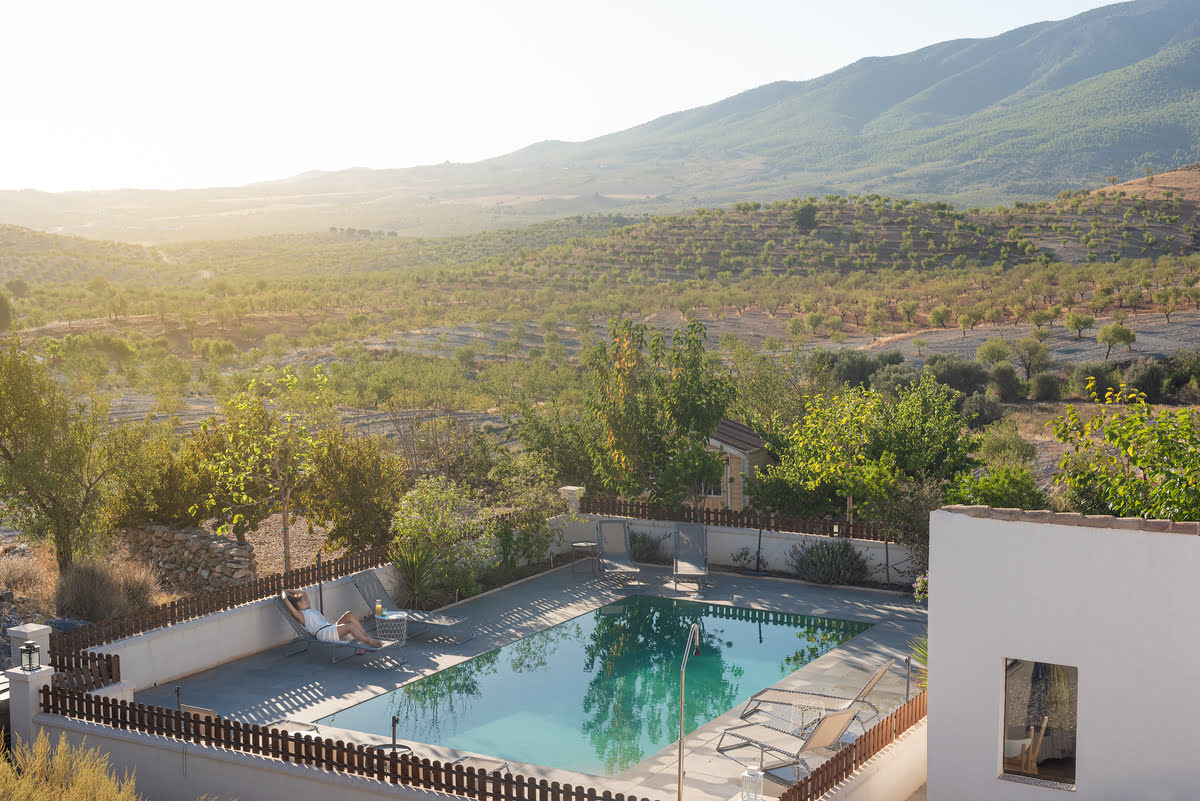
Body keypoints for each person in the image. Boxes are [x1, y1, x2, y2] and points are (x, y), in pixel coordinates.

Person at [280, 589, 382, 649]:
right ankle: (368, 641)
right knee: (350, 626)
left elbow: (304, 593)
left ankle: (366, 637)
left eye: (304, 601)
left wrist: (289, 590)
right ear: (298, 605)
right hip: (324, 633)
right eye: (302, 602)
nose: (305, 601)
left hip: (330, 628)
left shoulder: (309, 609)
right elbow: (285, 600)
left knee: (349, 615)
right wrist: (284, 592)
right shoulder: (300, 615)